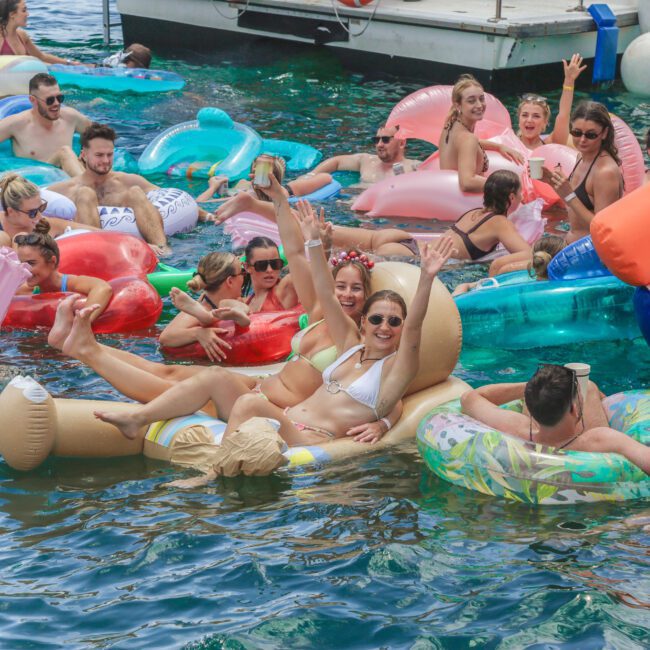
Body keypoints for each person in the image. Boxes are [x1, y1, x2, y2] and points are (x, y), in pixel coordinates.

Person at [93, 209, 455, 454]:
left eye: (393, 321)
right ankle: (135, 416)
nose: (384, 327)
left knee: (241, 400)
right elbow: (325, 291)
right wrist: (315, 241)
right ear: (364, 322)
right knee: (211, 378)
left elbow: (410, 347)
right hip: (281, 407)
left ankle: (221, 464)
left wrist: (427, 276)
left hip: (308, 435)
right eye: (377, 319)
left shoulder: (395, 366)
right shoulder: (350, 349)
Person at [49, 187, 398, 441]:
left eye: (356, 290)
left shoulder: (355, 342)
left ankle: (87, 353)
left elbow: (394, 390)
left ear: (368, 302)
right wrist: (278, 198)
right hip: (261, 386)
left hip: (272, 406)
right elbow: (295, 252)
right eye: (342, 286)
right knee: (169, 371)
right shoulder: (322, 314)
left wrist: (383, 423)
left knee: (184, 381)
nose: (346, 294)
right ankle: (79, 344)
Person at [460, 364, 649, 474]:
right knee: (590, 387)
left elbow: (469, 398)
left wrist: (532, 388)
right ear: (575, 408)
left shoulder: (517, 428)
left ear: (531, 410)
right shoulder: (599, 440)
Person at [48, 123, 171, 255]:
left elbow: (165, 195)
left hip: (140, 252)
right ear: (84, 155)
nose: (106, 160)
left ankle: (163, 252)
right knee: (85, 194)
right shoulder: (64, 190)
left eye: (109, 154)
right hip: (91, 254)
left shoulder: (129, 181)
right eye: (99, 155)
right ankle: (95, 254)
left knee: (136, 191)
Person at [539, 101, 624, 244]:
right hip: (572, 242)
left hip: (590, 251)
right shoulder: (581, 157)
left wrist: (569, 194)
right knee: (499, 264)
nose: (582, 140)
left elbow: (602, 229)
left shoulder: (605, 172)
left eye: (590, 135)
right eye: (577, 133)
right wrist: (552, 183)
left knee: (505, 266)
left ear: (604, 133)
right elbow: (573, 207)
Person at [438, 74, 524, 193]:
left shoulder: (450, 125)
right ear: (458, 105)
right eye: (471, 101)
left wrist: (499, 147)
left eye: (481, 98)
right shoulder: (468, 138)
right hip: (466, 205)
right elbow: (467, 183)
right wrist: (508, 186)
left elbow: (465, 145)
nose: (479, 105)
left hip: (449, 196)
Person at [0, 73, 90, 177]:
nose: (56, 103)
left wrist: (86, 154)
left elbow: (100, 135)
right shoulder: (16, 124)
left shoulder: (71, 117)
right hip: (36, 184)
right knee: (64, 152)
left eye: (59, 98)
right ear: (33, 100)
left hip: (67, 180)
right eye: (50, 100)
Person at [203, 154, 333, 224]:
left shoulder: (289, 189)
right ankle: (221, 185)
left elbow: (326, 177)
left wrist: (211, 188)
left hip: (254, 192)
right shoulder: (248, 196)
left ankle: (219, 185)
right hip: (245, 191)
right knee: (239, 187)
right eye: (255, 170)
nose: (255, 173)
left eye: (259, 171)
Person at [13, 230, 112, 321]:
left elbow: (103, 288)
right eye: (21, 263)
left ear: (52, 261)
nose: (24, 269)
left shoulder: (70, 283)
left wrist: (83, 321)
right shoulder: (25, 290)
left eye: (31, 263)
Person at [445, 170, 531, 263]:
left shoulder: (472, 213)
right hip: (444, 268)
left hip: (431, 256)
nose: (522, 197)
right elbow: (528, 255)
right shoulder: (500, 223)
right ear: (512, 197)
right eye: (520, 192)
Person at [0, 173, 93, 248]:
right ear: (11, 212)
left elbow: (96, 233)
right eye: (32, 213)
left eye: (41, 208)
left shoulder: (44, 225)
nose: (40, 216)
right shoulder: (3, 235)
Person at [453, 234, 566, 295]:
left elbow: (462, 298)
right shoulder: (573, 285)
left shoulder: (508, 283)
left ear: (535, 259)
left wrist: (463, 286)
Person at [309, 124, 420, 185]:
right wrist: (312, 175)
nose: (379, 144)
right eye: (376, 140)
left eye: (385, 140)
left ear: (401, 143)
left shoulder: (414, 167)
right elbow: (337, 162)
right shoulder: (366, 161)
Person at [517, 54, 586, 150]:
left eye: (536, 116)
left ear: (545, 123)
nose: (529, 120)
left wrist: (569, 81)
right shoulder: (509, 143)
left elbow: (564, 115)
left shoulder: (552, 144)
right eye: (524, 115)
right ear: (519, 120)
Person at [0, 0, 81, 64]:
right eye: (24, 10)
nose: (27, 14)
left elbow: (41, 57)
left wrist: (70, 63)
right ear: (12, 14)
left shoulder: (22, 35)